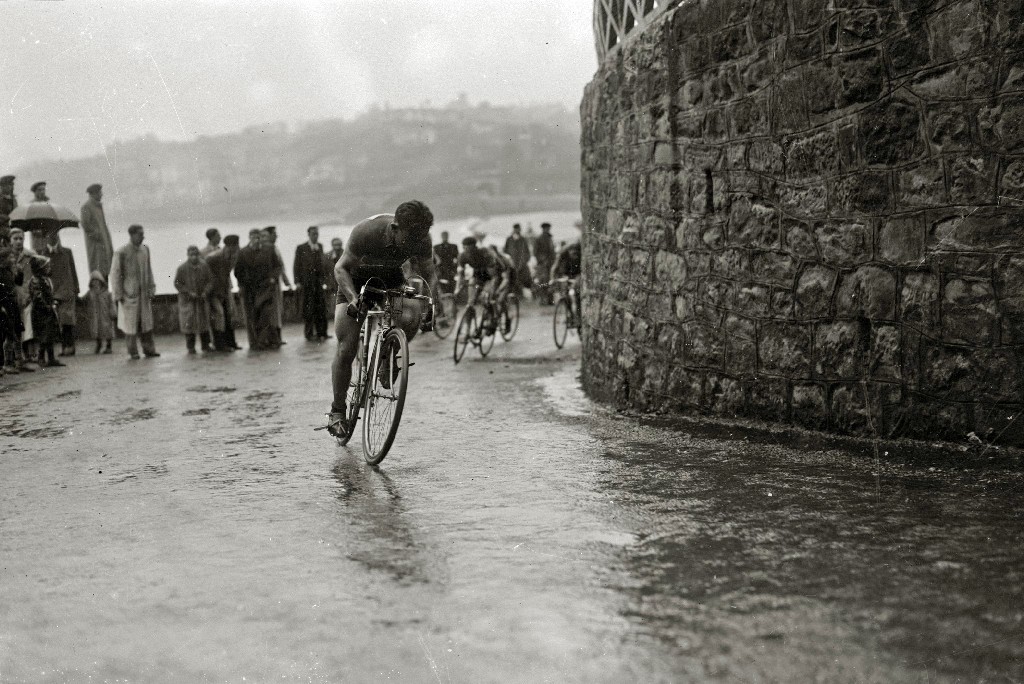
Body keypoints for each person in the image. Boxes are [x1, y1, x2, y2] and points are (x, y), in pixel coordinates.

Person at [326, 200, 436, 438]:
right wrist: (353, 299)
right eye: (410, 240)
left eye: (419, 240)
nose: (414, 245)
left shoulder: (421, 238)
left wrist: (430, 304)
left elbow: (429, 273)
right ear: (395, 229)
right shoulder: (366, 232)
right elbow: (340, 268)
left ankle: (388, 354)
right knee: (346, 347)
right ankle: (337, 411)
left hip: (390, 279)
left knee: (411, 314)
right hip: (355, 282)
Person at [110, 224, 160, 360]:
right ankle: (133, 352)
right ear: (131, 235)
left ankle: (149, 349)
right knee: (130, 326)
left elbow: (149, 270)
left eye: (143, 234)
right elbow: (115, 274)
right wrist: (118, 295)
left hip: (144, 294)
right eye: (140, 234)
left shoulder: (145, 250)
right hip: (129, 295)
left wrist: (151, 287)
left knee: (146, 324)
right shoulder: (121, 252)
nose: (143, 237)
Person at [234, 228, 282, 350]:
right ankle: (266, 340)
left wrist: (273, 278)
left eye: (258, 237)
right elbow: (237, 272)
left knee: (266, 314)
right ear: (249, 238)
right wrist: (244, 283)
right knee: (254, 316)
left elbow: (277, 266)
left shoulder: (269, 250)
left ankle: (262, 341)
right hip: (250, 290)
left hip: (266, 288)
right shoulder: (243, 252)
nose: (257, 240)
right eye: (254, 238)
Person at [43, 232, 80, 356]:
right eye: (50, 234)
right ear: (46, 237)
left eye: (55, 234)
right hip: (51, 291)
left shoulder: (67, 252)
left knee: (67, 320)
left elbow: (73, 270)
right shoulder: (42, 253)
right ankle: (62, 347)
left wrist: (76, 288)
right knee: (55, 321)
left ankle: (69, 346)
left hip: (67, 290)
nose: (53, 237)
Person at [174, 245, 214, 354]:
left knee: (204, 323)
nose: (194, 257)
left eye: (196, 254)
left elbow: (210, 281)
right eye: (192, 255)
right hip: (188, 302)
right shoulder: (182, 268)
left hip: (201, 300)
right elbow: (177, 283)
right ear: (188, 255)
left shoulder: (204, 266)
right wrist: (188, 292)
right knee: (189, 324)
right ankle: (190, 347)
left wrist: (205, 292)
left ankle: (206, 345)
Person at [206, 234, 242, 351]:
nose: (237, 248)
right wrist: (213, 290)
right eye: (235, 246)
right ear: (229, 246)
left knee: (228, 315)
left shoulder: (232, 255)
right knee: (219, 315)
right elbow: (207, 275)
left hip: (224, 289)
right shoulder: (213, 257)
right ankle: (220, 344)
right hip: (214, 291)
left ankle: (231, 342)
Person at [294, 225, 329, 341]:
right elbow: (297, 265)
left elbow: (322, 264)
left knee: (321, 308)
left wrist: (324, 280)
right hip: (307, 283)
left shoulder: (320, 247)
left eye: (317, 234)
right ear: (308, 234)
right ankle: (309, 333)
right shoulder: (301, 248)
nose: (315, 236)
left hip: (318, 283)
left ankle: (322, 332)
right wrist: (297, 281)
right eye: (313, 234)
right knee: (308, 309)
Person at [9, 228, 38, 371]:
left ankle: (26, 357)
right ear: (10, 240)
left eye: (21, 238)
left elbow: (34, 275)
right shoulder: (7, 257)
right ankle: (14, 359)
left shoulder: (30, 255)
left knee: (27, 328)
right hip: (12, 295)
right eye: (15, 239)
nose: (18, 241)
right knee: (13, 328)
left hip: (27, 295)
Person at [28, 255, 64, 368]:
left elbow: (49, 294)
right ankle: (41, 357)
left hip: (48, 311)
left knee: (50, 334)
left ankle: (51, 358)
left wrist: (54, 302)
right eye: (46, 266)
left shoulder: (46, 279)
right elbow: (37, 296)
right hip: (41, 312)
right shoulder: (35, 280)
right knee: (44, 335)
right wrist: (47, 306)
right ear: (40, 268)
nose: (49, 268)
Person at [263, 226, 291, 343]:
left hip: (277, 283)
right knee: (274, 311)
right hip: (272, 284)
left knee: (277, 310)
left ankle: (277, 337)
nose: (276, 236)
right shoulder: (269, 249)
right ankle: (274, 338)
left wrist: (286, 281)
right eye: (274, 234)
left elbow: (281, 266)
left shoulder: (274, 248)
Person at [80, 184, 114, 276]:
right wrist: (98, 235)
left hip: (104, 245)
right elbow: (85, 225)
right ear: (93, 194)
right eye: (100, 193)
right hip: (96, 248)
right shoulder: (86, 207)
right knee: (98, 273)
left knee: (105, 272)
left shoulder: (98, 207)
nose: (102, 195)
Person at [0, 247, 22, 373]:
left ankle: (13, 361)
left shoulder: (9, 271)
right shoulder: (1, 272)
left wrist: (19, 272)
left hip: (12, 304)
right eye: (11, 257)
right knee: (8, 334)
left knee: (14, 332)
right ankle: (7, 363)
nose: (13, 259)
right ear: (4, 259)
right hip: (5, 305)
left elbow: (18, 282)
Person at [550, 240, 582, 323]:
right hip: (567, 273)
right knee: (565, 294)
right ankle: (569, 314)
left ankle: (579, 316)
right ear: (568, 252)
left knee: (577, 293)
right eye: (572, 254)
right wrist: (552, 279)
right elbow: (555, 267)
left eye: (576, 254)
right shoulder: (563, 254)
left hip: (578, 273)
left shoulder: (581, 252)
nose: (574, 256)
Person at [86, 270, 115, 354]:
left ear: (101, 281)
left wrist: (112, 311)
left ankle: (109, 346)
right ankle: (99, 345)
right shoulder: (90, 293)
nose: (95, 283)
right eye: (93, 281)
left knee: (107, 330)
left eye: (97, 281)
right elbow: (85, 301)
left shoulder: (107, 293)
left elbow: (111, 303)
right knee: (97, 330)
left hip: (105, 315)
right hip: (95, 315)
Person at [503, 223, 532, 297]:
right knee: (511, 281)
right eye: (516, 229)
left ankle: (521, 295)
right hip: (512, 265)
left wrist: (524, 261)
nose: (517, 230)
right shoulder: (509, 239)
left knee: (524, 280)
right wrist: (509, 262)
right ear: (514, 230)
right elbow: (505, 252)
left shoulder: (523, 239)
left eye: (518, 229)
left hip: (522, 265)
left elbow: (527, 252)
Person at [533, 222, 556, 304]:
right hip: (542, 265)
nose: (548, 230)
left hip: (550, 263)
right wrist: (542, 260)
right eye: (546, 228)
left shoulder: (550, 237)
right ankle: (543, 299)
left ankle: (550, 299)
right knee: (543, 282)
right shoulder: (539, 239)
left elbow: (552, 251)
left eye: (548, 228)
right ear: (543, 229)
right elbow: (535, 252)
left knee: (550, 281)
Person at [28, 182, 50, 253]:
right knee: (38, 255)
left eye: (43, 189)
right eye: (39, 190)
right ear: (35, 192)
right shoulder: (31, 205)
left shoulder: (48, 203)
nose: (42, 192)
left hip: (49, 236)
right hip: (37, 238)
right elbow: (29, 223)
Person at [0, 175, 17, 247]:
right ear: (2, 186)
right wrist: (8, 218)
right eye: (8, 185)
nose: (11, 187)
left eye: (12, 184)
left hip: (12, 232)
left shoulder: (14, 199)